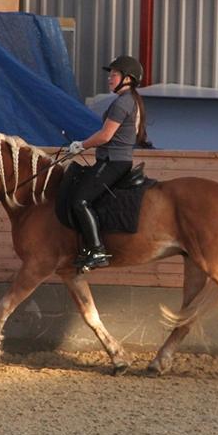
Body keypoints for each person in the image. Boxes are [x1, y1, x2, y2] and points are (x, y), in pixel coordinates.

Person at [65, 54, 151, 272]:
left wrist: (81, 145)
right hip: (115, 160)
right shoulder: (128, 100)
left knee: (80, 201)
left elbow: (105, 136)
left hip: (113, 161)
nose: (110, 78)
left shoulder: (123, 103)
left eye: (114, 75)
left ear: (128, 78)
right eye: (110, 75)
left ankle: (97, 249)